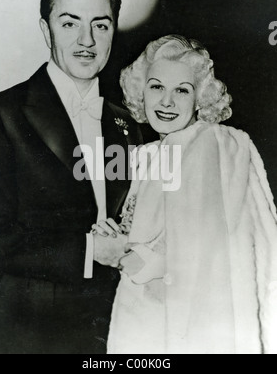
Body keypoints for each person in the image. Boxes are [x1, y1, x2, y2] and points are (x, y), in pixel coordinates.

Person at [0, 0, 143, 354]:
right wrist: (90, 251)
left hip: (114, 332)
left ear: (113, 30)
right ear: (45, 28)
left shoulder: (129, 124)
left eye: (100, 24)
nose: (86, 40)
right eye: (70, 23)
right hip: (28, 335)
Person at [93, 35, 277, 354]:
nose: (167, 102)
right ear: (141, 91)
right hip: (142, 322)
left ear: (200, 99)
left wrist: (121, 255)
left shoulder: (210, 142)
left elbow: (197, 248)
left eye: (182, 90)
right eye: (156, 87)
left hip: (186, 331)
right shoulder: (146, 155)